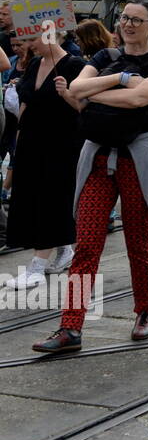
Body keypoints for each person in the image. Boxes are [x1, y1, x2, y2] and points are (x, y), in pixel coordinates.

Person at [33, 0, 148, 354]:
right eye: (125, 18)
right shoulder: (104, 58)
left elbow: (140, 100)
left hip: (135, 159)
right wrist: (122, 79)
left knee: (137, 241)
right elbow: (79, 90)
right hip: (98, 158)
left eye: (138, 20)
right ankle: (70, 327)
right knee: (86, 247)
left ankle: (145, 311)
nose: (128, 25)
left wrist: (98, 94)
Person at [3, 29, 85, 289]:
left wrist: (67, 94)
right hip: (31, 141)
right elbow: (26, 102)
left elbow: (86, 106)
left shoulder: (75, 64)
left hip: (61, 142)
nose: (27, 45)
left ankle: (37, 266)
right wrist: (18, 138)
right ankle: (64, 249)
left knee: (52, 198)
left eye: (31, 39)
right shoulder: (36, 63)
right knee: (33, 197)